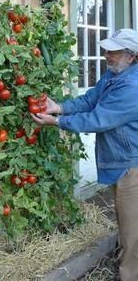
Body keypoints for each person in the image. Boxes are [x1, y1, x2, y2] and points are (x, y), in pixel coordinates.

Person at [31, 28, 138, 281]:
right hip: (123, 161)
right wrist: (60, 107)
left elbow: (99, 118)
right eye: (108, 50)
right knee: (126, 222)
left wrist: (57, 122)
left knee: (133, 229)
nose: (106, 54)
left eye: (113, 51)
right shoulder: (115, 75)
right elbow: (90, 100)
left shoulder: (133, 87)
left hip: (132, 166)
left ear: (131, 56)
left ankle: (129, 275)